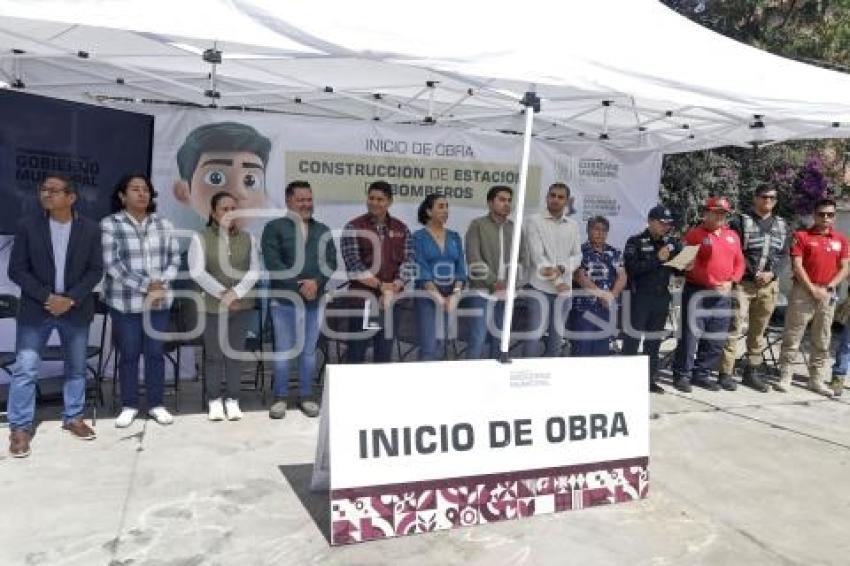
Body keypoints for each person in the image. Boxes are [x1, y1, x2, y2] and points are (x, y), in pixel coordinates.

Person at [6, 174, 104, 458]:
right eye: (43, 190)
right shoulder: (28, 226)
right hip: (37, 309)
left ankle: (73, 416)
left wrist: (70, 298)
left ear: (71, 197)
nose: (46, 194)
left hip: (75, 309)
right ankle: (20, 428)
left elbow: (95, 270)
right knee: (26, 368)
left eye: (53, 190)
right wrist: (49, 298)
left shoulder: (90, 229)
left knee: (75, 368)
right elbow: (17, 270)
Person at [102, 175, 181, 427]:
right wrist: (147, 285)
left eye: (145, 189)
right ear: (122, 196)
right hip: (126, 303)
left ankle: (156, 404)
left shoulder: (164, 224)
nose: (142, 193)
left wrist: (160, 286)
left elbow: (175, 260)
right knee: (129, 354)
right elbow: (113, 264)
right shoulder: (110, 224)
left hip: (158, 303)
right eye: (135, 189)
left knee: (155, 354)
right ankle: (129, 404)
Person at [262, 180, 337, 419]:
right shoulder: (274, 227)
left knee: (308, 351)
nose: (307, 204)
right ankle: (280, 397)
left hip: (315, 301)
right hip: (284, 301)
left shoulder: (322, 230)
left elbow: (331, 262)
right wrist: (300, 286)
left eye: (309, 199)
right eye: (301, 199)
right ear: (288, 201)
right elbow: (273, 263)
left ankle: (306, 395)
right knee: (284, 351)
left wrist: (315, 283)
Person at [188, 192, 260, 421]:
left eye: (233, 209)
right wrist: (224, 295)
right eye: (224, 209)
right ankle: (214, 399)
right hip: (213, 306)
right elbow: (197, 272)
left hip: (242, 305)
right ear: (213, 212)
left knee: (235, 354)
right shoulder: (200, 238)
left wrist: (236, 293)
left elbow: (255, 270)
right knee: (214, 355)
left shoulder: (249, 238)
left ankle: (233, 399)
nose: (230, 213)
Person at [718, 184, 789, 392]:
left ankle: (752, 372)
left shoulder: (783, 225)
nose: (768, 200)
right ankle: (725, 372)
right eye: (764, 196)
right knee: (733, 326)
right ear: (755, 198)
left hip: (769, 285)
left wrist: (772, 274)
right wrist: (753, 272)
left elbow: (784, 255)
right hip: (744, 283)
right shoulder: (740, 221)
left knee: (758, 332)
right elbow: (734, 249)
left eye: (772, 197)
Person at [777, 198, 849, 396]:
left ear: (834, 217)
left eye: (830, 215)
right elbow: (797, 265)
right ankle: (786, 376)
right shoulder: (802, 236)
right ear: (814, 215)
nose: (825, 218)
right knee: (793, 335)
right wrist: (812, 288)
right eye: (821, 214)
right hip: (803, 291)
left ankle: (815, 379)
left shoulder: (840, 240)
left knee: (823, 338)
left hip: (828, 292)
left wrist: (829, 287)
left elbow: (845, 267)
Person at [673, 197, 745, 392]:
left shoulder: (733, 236)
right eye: (715, 212)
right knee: (690, 338)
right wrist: (709, 281)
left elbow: (740, 263)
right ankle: (682, 375)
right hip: (698, 292)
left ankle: (702, 374)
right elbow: (686, 264)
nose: (719, 216)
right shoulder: (695, 234)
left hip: (723, 294)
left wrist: (732, 281)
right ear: (706, 213)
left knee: (716, 339)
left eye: (723, 213)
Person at [340, 180, 413, 363]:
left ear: (389, 202)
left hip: (391, 302)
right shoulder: (353, 227)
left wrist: (394, 287)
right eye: (371, 198)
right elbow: (354, 266)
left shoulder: (401, 228)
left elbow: (409, 263)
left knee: (384, 353)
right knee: (356, 352)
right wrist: (382, 287)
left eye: (380, 199)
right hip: (362, 301)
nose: (374, 202)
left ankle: (379, 391)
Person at [622, 205, 680, 393]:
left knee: (653, 342)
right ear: (650, 221)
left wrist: (686, 263)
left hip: (661, 299)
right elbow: (632, 270)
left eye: (668, 224)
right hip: (639, 299)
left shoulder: (670, 244)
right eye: (662, 223)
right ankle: (627, 381)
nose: (666, 227)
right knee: (632, 341)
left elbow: (676, 269)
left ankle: (648, 380)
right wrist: (657, 258)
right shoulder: (635, 242)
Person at [522, 182, 582, 357]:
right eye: (552, 195)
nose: (555, 200)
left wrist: (562, 269)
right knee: (534, 336)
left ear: (567, 201)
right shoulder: (534, 221)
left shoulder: (573, 225)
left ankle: (549, 380)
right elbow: (537, 257)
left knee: (557, 339)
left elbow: (578, 256)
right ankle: (527, 377)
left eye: (560, 197)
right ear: (547, 197)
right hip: (540, 288)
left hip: (564, 290)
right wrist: (557, 281)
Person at [173, 121, 272, 224]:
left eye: (250, 181)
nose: (238, 192)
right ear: (183, 192)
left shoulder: (253, 239)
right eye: (215, 178)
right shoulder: (193, 238)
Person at [411, 194, 467, 361]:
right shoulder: (418, 237)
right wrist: (439, 299)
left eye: (447, 207)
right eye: (441, 207)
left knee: (443, 344)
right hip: (427, 296)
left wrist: (456, 293)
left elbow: (461, 268)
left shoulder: (455, 236)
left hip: (451, 295)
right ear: (429, 211)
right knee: (429, 346)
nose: (446, 211)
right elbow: (422, 270)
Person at [464, 185, 514, 359]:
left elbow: (524, 260)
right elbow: (473, 258)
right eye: (501, 199)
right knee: (477, 339)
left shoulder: (514, 229)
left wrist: (509, 285)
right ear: (490, 203)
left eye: (509, 200)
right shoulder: (477, 225)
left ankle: (496, 382)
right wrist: (495, 282)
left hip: (506, 294)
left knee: (500, 341)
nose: (506, 204)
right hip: (482, 292)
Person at [569, 216, 626, 356]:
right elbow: (580, 277)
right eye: (597, 229)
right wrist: (602, 295)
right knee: (582, 350)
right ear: (588, 230)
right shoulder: (579, 252)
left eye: (604, 230)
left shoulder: (614, 252)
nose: (601, 233)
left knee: (601, 351)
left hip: (606, 309)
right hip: (584, 309)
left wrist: (611, 295)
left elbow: (623, 276)